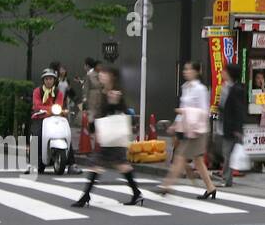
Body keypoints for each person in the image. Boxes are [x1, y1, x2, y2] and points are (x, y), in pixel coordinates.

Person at [72, 65, 141, 208]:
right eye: (101, 74)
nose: (101, 76)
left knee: (98, 165)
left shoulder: (114, 93)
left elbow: (114, 112)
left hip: (113, 136)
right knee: (120, 165)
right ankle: (136, 193)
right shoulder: (105, 91)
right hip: (112, 136)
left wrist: (111, 103)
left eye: (104, 74)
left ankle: (85, 196)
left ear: (112, 77)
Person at [158, 62, 216, 199]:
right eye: (185, 69)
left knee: (180, 156)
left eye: (189, 69)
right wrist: (175, 125)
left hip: (198, 130)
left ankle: (167, 185)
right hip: (188, 128)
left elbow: (204, 111)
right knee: (197, 160)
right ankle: (210, 187)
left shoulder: (200, 89)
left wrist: (184, 112)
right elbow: (182, 109)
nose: (186, 71)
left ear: (196, 72)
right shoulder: (185, 87)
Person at [218, 62, 248, 186]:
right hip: (225, 125)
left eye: (224, 71)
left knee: (228, 154)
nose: (222, 73)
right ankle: (226, 178)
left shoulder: (237, 89)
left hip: (232, 128)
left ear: (230, 73)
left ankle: (227, 179)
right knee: (227, 153)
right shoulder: (226, 86)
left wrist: (237, 129)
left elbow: (239, 110)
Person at [29, 69, 64, 174]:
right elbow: (37, 105)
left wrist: (49, 109)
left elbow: (59, 105)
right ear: (43, 80)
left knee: (64, 133)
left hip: (54, 118)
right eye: (47, 79)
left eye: (51, 79)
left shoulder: (58, 92)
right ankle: (37, 160)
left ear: (54, 80)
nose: (49, 81)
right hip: (40, 117)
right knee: (38, 135)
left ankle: (71, 163)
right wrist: (50, 109)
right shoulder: (37, 91)